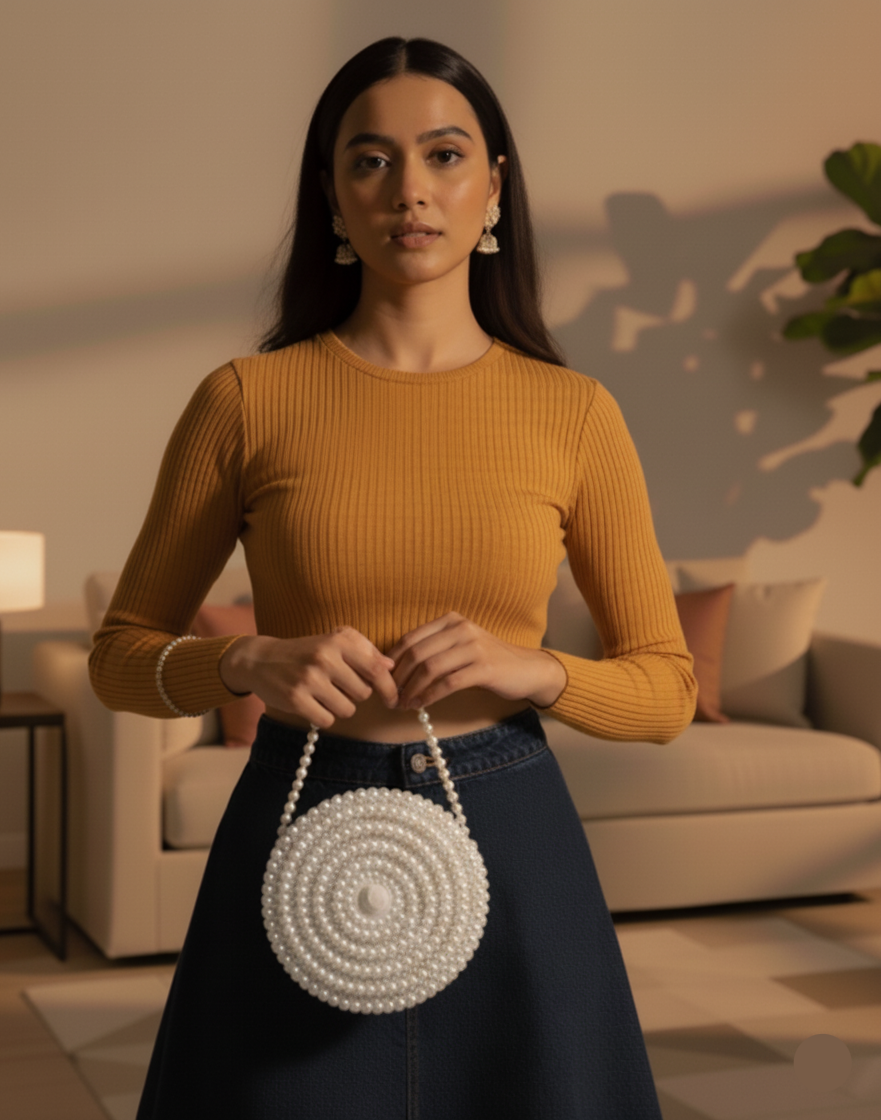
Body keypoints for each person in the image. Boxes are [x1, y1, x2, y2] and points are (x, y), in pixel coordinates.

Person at [90, 36, 696, 1120]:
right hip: (297, 818)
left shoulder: (576, 414)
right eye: (368, 161)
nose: (408, 190)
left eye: (444, 155)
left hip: (512, 832)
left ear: (493, 187)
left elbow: (666, 692)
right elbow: (120, 656)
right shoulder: (244, 400)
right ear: (330, 194)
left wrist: (536, 670)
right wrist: (241, 659)